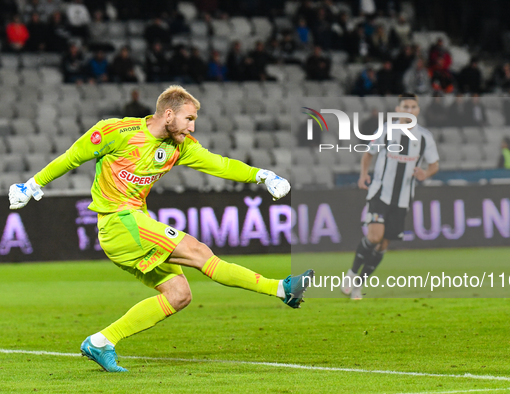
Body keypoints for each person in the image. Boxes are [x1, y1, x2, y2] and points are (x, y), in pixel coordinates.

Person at [8, 85, 314, 372]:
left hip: (134, 223)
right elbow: (72, 157)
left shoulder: (179, 147)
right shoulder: (116, 132)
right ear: (169, 115)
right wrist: (32, 184)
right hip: (119, 221)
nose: (192, 126)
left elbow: (220, 164)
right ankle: (281, 289)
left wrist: (261, 175)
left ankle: (101, 341)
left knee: (179, 294)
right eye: (189, 118)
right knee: (198, 252)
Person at [341, 94, 440, 300]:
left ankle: (359, 285)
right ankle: (351, 273)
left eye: (413, 107)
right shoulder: (387, 130)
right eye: (406, 106)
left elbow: (434, 165)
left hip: (403, 198)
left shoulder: (425, 137)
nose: (410, 110)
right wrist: (363, 174)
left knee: (384, 244)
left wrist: (426, 173)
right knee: (374, 236)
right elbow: (369, 153)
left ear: (418, 110)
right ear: (398, 109)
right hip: (380, 192)